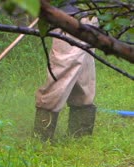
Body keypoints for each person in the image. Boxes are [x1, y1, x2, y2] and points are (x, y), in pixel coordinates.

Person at [34, 2, 99, 141]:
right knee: (66, 73)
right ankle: (42, 139)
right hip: (69, 16)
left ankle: (79, 136)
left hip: (86, 16)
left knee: (82, 78)